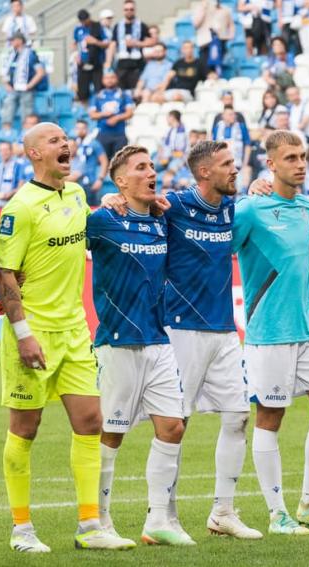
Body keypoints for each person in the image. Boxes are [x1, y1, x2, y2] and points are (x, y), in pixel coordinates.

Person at [104, 140, 264, 539]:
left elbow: (259, 201)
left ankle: (223, 512)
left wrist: (262, 185)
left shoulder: (232, 207)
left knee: (238, 415)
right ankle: (163, 516)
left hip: (225, 328)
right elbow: (134, 207)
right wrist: (112, 196)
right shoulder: (172, 207)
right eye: (227, 164)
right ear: (204, 172)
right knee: (176, 423)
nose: (236, 169)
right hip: (180, 328)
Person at [0, 122, 121, 551]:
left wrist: (110, 203)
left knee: (91, 422)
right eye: (54, 141)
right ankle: (21, 530)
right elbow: (4, 272)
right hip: (34, 334)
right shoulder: (20, 207)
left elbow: (83, 234)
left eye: (66, 140)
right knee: (25, 428)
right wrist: (23, 332)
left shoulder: (76, 195)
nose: (65, 145)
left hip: (74, 330)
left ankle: (90, 525)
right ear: (33, 154)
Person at [233, 130, 309, 536]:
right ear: (271, 164)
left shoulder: (304, 207)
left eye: (303, 156)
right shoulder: (250, 208)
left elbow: (301, 253)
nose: (301, 164)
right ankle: (277, 512)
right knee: (270, 416)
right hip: (269, 332)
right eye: (292, 158)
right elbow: (220, 246)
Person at [85, 145, 190, 546]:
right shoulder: (103, 220)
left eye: (152, 166)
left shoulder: (163, 221)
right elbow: (59, 242)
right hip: (117, 341)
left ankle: (157, 520)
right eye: (141, 168)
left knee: (172, 426)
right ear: (120, 180)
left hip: (157, 339)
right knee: (112, 434)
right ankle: (100, 520)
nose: (152, 172)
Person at [1, 33, 48, 130]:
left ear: (19, 40)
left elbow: (40, 72)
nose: (11, 42)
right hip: (13, 89)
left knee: (26, 115)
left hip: (26, 90)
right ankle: (6, 134)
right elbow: (5, 72)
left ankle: (26, 137)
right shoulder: (12, 55)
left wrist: (29, 85)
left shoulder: (31, 54)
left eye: (13, 40)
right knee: (7, 113)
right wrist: (6, 84)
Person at [105, 0, 154, 90]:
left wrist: (137, 43)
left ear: (135, 10)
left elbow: (152, 41)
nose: (129, 11)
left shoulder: (141, 25)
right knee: (121, 89)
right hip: (122, 63)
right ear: (123, 11)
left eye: (131, 9)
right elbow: (113, 44)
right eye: (126, 9)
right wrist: (108, 62)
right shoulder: (118, 26)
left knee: (136, 90)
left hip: (137, 63)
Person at [90, 69, 134, 161]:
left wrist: (117, 118)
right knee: (102, 162)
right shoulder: (97, 96)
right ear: (102, 80)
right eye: (107, 78)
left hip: (120, 134)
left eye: (112, 77)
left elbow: (130, 113)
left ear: (117, 79)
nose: (109, 80)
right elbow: (92, 115)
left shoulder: (124, 95)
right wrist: (104, 114)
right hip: (103, 134)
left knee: (120, 162)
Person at [193, 0, 234, 75]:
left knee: (217, 68)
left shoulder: (225, 9)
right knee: (206, 69)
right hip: (205, 43)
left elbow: (231, 24)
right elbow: (196, 24)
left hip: (220, 42)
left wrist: (230, 36)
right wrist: (204, 9)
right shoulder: (200, 8)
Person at [73, 9, 105, 103]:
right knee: (82, 91)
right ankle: (85, 112)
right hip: (83, 63)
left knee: (99, 89)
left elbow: (107, 43)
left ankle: (98, 108)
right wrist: (76, 55)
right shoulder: (78, 29)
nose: (84, 22)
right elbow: (74, 43)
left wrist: (95, 41)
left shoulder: (97, 27)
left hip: (96, 63)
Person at [213, 105, 251, 173]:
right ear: (223, 116)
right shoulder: (218, 127)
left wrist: (245, 163)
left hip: (238, 163)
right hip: (222, 163)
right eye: (230, 114)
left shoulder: (241, 126)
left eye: (234, 114)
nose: (233, 116)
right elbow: (214, 146)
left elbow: (247, 145)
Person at [261, 37, 295, 102]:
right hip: (275, 86)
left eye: (279, 44)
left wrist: (283, 62)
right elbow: (266, 76)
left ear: (284, 46)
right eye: (275, 45)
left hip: (286, 85)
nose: (277, 47)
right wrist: (276, 84)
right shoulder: (271, 59)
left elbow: (291, 71)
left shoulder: (289, 56)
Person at [0, 141, 24, 206]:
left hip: (12, 204)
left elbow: (21, 187)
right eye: (1, 150)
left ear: (11, 151)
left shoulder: (18, 166)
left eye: (6, 150)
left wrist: (9, 194)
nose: (4, 153)